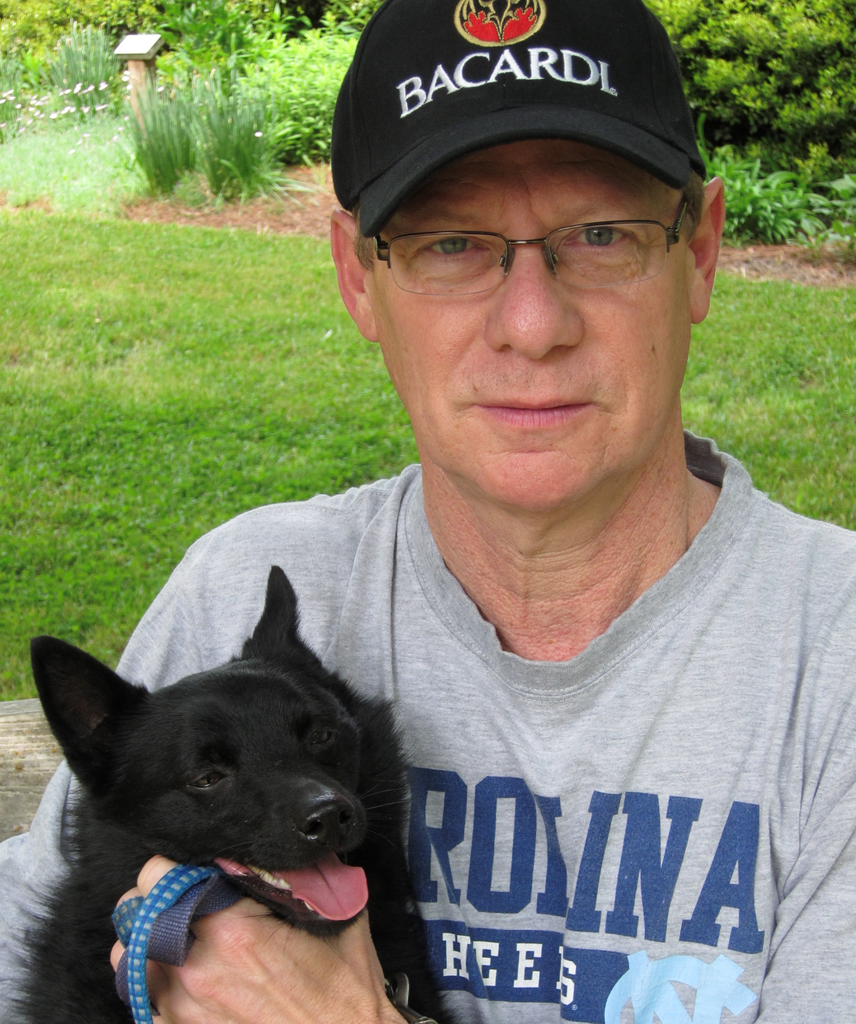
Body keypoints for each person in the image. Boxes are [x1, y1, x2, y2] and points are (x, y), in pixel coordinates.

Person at [2, 0, 855, 1021]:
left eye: (600, 234)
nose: (532, 324)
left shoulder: (833, 660)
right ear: (358, 279)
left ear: (700, 251)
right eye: (451, 244)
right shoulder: (243, 590)